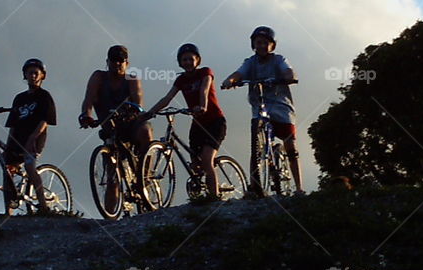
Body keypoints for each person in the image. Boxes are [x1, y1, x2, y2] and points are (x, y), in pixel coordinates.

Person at [221, 26, 305, 196]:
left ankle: (299, 188)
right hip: (259, 106)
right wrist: (230, 81)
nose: (261, 46)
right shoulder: (250, 62)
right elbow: (239, 73)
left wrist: (289, 77)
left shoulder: (279, 59)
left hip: (281, 107)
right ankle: (255, 186)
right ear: (253, 44)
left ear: (272, 46)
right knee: (256, 147)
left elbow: (289, 71)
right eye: (258, 43)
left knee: (290, 145)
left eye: (265, 43)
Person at [144, 43, 227, 197]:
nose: (187, 62)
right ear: (180, 63)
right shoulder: (181, 80)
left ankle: (214, 198)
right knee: (195, 164)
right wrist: (150, 113)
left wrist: (202, 106)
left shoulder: (205, 72)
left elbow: (204, 89)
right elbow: (167, 98)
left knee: (207, 160)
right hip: (198, 124)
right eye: (184, 60)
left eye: (190, 59)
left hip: (215, 122)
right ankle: (200, 194)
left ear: (198, 60)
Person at [1, 58, 56, 215]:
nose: (32, 76)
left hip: (35, 138)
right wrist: (8, 144)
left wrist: (33, 137)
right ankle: (8, 212)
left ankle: (43, 206)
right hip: (17, 138)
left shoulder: (45, 96)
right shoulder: (19, 98)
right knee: (8, 171)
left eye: (35, 73)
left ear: (42, 76)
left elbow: (46, 120)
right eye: (29, 73)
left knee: (29, 166)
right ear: (24, 75)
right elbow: (12, 124)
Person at [78, 44, 152, 153]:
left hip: (130, 124)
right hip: (110, 127)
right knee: (110, 160)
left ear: (126, 63)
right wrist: (86, 115)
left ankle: (145, 167)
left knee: (145, 132)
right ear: (107, 61)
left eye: (120, 60)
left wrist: (132, 112)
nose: (116, 63)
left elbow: (138, 104)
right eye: (113, 60)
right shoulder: (98, 77)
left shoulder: (132, 79)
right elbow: (88, 100)